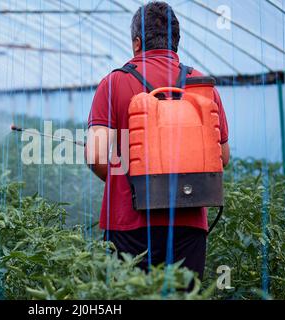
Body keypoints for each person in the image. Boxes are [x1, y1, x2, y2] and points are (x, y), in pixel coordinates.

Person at [85, 1, 230, 280]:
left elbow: (95, 155)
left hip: (128, 223)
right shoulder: (201, 85)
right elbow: (221, 157)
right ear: (175, 41)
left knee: (129, 292)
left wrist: (129, 181)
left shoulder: (114, 82)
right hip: (187, 222)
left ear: (137, 43)